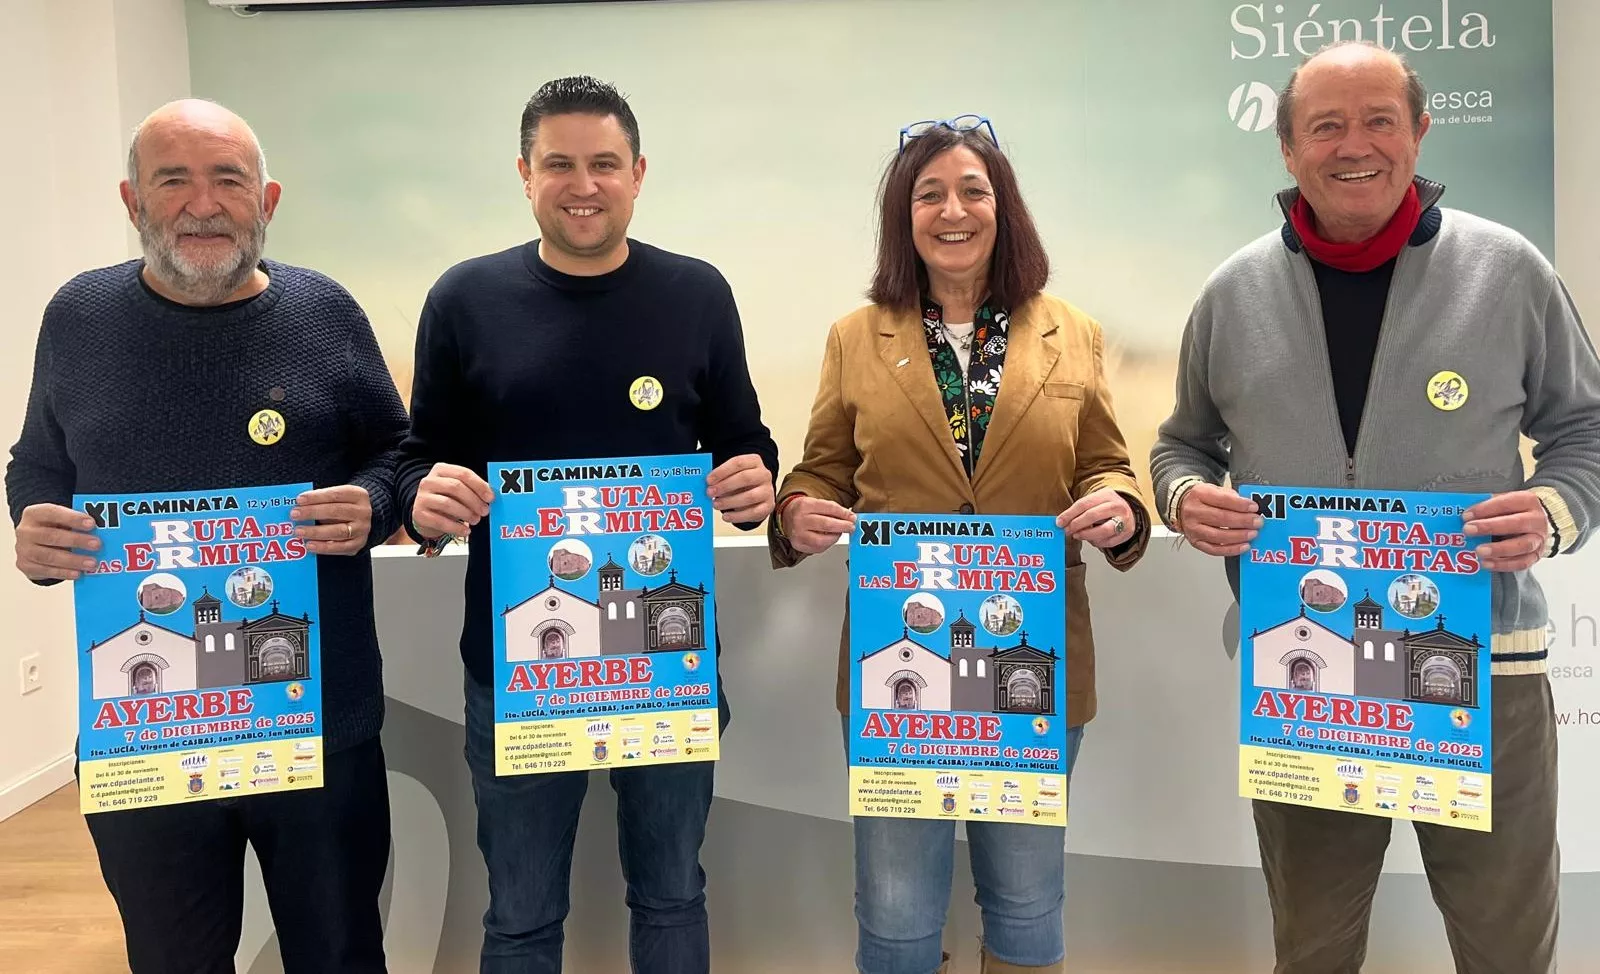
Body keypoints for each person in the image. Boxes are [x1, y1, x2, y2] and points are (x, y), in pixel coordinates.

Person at [1150, 41, 1600, 974]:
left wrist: (1555, 510)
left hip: (1483, 667)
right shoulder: (1232, 293)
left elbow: (1586, 431)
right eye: (1326, 126)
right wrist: (1187, 495)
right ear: (1287, 148)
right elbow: (1180, 444)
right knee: (1312, 945)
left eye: (1378, 121)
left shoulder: (1508, 270)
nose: (1354, 145)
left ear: (1419, 132)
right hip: (1303, 672)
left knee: (1507, 945)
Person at [6, 98, 407, 974]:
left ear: (267, 200)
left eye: (228, 180)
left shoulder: (325, 311)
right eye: (173, 181)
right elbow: (36, 464)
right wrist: (32, 529)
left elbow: (395, 452)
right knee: (172, 958)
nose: (202, 204)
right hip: (144, 731)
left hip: (316, 724)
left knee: (341, 953)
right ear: (132, 200)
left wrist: (376, 503)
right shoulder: (77, 316)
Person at [395, 76, 778, 974]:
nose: (583, 184)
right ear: (524, 174)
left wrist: (753, 480)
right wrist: (420, 498)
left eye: (604, 163)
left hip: (666, 659)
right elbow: (419, 457)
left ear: (637, 174)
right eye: (559, 164)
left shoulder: (697, 293)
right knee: (521, 914)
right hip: (517, 667)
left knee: (673, 894)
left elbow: (745, 441)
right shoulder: (463, 299)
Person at [769, 114, 1150, 974]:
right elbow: (822, 470)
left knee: (1025, 895)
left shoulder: (1073, 332)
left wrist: (1120, 507)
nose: (952, 210)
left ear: (1002, 207)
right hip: (896, 661)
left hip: (1031, 654)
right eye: (928, 194)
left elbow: (1107, 464)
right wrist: (796, 511)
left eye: (972, 191)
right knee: (896, 905)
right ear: (902, 217)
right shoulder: (855, 336)